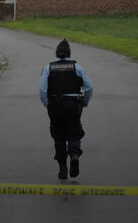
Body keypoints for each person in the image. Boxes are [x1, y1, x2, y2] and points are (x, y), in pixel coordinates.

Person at [39, 39, 94, 179]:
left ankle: (62, 169)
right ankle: (74, 156)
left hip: (55, 104)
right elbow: (89, 87)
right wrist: (85, 101)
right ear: (69, 53)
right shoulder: (77, 67)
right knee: (74, 131)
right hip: (72, 104)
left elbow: (42, 89)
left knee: (58, 135)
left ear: (56, 53)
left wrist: (47, 103)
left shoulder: (48, 68)